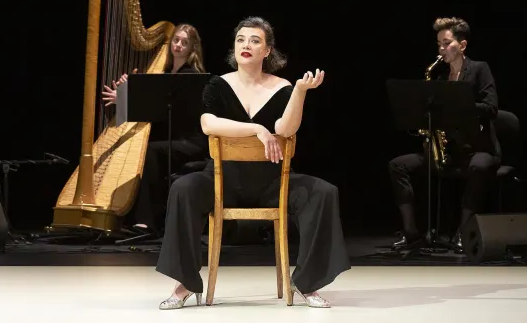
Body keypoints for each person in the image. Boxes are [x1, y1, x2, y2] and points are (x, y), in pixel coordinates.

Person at [155, 16, 351, 309]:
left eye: (255, 40)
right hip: (222, 180)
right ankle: (185, 283)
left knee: (323, 192)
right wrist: (257, 129)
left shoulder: (283, 87)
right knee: (184, 188)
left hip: (271, 181)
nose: (246, 45)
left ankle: (307, 282)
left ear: (267, 50)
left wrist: (299, 92)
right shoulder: (218, 85)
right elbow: (208, 124)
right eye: (241, 40)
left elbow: (286, 129)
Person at [389, 17, 500, 252]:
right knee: (398, 165)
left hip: (477, 149)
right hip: (449, 151)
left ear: (462, 46)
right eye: (439, 44)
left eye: (446, 43)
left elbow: (491, 108)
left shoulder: (480, 69)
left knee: (479, 167)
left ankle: (464, 231)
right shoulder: (439, 79)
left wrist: (461, 104)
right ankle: (411, 233)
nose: (441, 49)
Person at [102, 23, 208, 235]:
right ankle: (129, 216)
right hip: (172, 138)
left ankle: (147, 221)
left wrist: (129, 97)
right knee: (145, 150)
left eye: (184, 42)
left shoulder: (190, 76)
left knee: (150, 151)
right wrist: (125, 95)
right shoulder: (165, 72)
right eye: (176, 40)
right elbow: (149, 112)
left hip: (191, 142)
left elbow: (161, 111)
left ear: (192, 48)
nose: (178, 45)